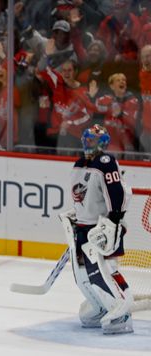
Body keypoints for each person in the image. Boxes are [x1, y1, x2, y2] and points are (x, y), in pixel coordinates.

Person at [60, 124, 133, 334]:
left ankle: (122, 309)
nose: (88, 143)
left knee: (108, 269)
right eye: (87, 139)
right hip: (83, 227)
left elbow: (116, 193)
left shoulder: (106, 162)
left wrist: (113, 220)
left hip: (102, 227)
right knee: (85, 273)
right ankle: (102, 306)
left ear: (102, 143)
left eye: (93, 140)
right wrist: (76, 213)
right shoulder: (79, 163)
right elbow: (82, 195)